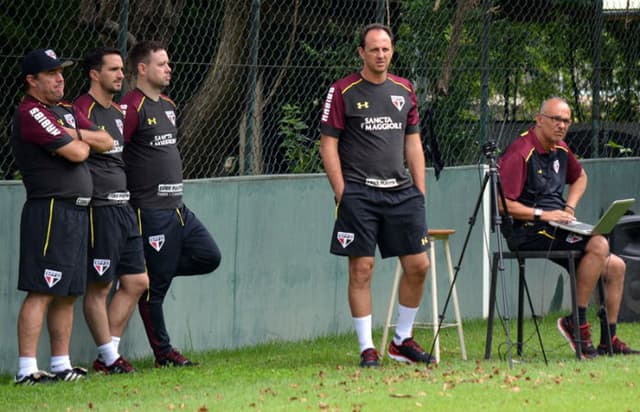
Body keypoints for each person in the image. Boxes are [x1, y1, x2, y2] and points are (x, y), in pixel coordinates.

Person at [319, 23, 434, 368]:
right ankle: (368, 347)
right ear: (361, 53)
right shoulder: (343, 91)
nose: (381, 55)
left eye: (386, 49)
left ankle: (402, 340)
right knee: (362, 269)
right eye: (374, 49)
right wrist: (343, 194)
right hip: (360, 193)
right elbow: (328, 145)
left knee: (419, 265)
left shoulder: (404, 89)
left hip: (401, 194)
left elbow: (412, 142)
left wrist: (419, 191)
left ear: (392, 51)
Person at [497, 96, 639, 359]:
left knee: (616, 266)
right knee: (598, 244)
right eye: (556, 119)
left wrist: (569, 209)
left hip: (559, 226)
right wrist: (544, 213)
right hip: (528, 230)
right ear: (539, 120)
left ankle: (609, 340)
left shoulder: (561, 149)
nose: (561, 125)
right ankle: (576, 323)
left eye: (566, 121)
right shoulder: (520, 152)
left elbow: (580, 177)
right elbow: (503, 204)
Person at [11, 48, 114, 384]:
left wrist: (80, 135)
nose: (60, 79)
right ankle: (27, 369)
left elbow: (107, 140)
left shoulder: (66, 112)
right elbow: (76, 152)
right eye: (51, 74)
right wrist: (82, 142)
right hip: (51, 209)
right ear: (32, 80)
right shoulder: (31, 113)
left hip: (77, 211)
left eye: (61, 72)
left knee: (68, 292)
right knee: (42, 288)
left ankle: (60, 364)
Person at [120, 40, 222, 367]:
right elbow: (113, 154)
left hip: (178, 208)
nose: (169, 69)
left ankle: (156, 270)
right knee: (156, 292)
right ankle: (164, 354)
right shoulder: (131, 108)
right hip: (149, 210)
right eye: (162, 64)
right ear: (142, 69)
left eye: (168, 63)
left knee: (210, 256)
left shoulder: (168, 105)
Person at [73, 47, 149, 374]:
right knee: (100, 286)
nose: (121, 75)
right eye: (114, 70)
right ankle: (109, 358)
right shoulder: (80, 109)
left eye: (122, 69)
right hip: (100, 207)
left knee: (136, 280)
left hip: (125, 206)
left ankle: (108, 355)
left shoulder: (119, 112)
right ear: (95, 73)